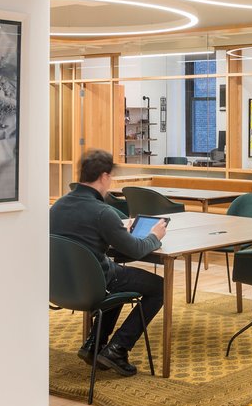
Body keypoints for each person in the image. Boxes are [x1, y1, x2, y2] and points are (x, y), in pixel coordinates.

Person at [49, 149, 166, 377]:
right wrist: (154, 236)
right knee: (159, 287)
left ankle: (95, 343)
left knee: (118, 277)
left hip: (61, 286)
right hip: (93, 285)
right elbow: (136, 250)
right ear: (104, 177)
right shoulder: (102, 212)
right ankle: (118, 348)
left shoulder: (58, 206)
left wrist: (117, 231)